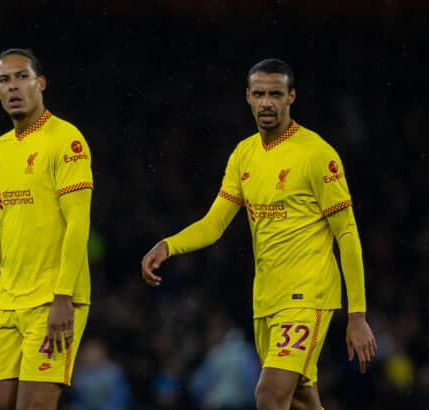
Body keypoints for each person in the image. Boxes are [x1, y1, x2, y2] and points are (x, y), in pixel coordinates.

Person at [141, 58, 376, 410]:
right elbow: (214, 223)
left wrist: (357, 316)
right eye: (260, 93)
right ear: (248, 97)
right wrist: (168, 245)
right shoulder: (244, 154)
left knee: (268, 394)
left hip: (308, 295)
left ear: (291, 97)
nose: (267, 102)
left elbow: (347, 235)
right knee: (298, 398)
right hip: (266, 299)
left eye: (276, 94)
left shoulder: (317, 155)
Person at [0, 48, 93, 410]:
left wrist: (63, 297)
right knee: (0, 405)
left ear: (41, 83)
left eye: (22, 76)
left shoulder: (67, 141)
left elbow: (78, 222)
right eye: (5, 80)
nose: (13, 86)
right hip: (6, 304)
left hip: (51, 300)